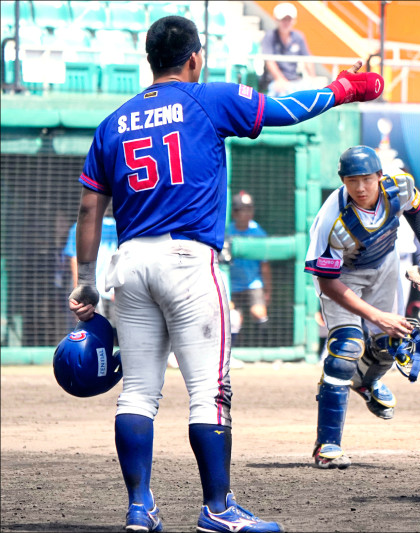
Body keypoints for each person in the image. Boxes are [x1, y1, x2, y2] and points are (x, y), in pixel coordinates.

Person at [66, 14, 383, 533]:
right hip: (188, 262)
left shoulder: (114, 120)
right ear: (194, 58)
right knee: (207, 389)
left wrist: (85, 280)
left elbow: (88, 211)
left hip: (129, 263)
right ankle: (217, 507)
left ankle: (141, 507)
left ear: (150, 61)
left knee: (138, 392)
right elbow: (284, 111)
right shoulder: (205, 98)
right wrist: (344, 89)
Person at [304, 145, 420, 469]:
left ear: (380, 176)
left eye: (367, 179)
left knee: (388, 344)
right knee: (345, 350)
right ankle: (326, 447)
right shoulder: (332, 220)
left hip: (384, 265)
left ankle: (365, 381)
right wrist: (375, 315)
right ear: (343, 181)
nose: (361, 188)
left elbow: (416, 207)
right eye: (353, 181)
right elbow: (327, 282)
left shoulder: (398, 186)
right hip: (343, 279)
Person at [226, 190, 272, 346]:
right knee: (233, 318)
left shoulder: (258, 233)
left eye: (249, 209)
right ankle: (232, 352)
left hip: (253, 283)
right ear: (234, 213)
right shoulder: (227, 231)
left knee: (258, 313)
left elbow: (265, 265)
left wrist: (267, 290)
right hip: (232, 284)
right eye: (241, 210)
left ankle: (266, 347)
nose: (246, 213)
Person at [63, 205, 117, 324]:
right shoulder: (120, 226)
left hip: (102, 294)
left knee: (94, 334)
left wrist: (80, 296)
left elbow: (74, 260)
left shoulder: (116, 226)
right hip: (99, 294)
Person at [260, 2, 316, 97]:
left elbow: (308, 60)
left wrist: (314, 79)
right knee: (279, 93)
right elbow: (269, 62)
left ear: (294, 20)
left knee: (310, 93)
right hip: (274, 82)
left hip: (294, 81)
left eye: (289, 19)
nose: (286, 22)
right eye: (283, 19)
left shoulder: (299, 37)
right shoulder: (270, 36)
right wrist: (279, 79)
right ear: (276, 20)